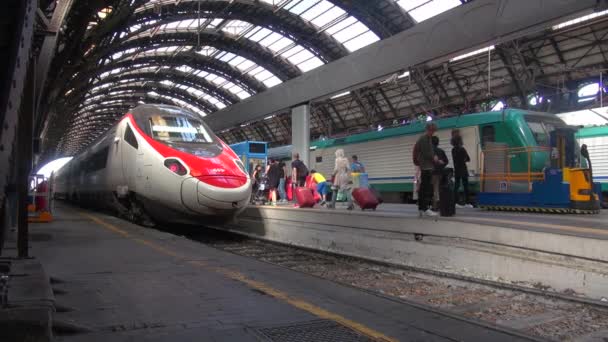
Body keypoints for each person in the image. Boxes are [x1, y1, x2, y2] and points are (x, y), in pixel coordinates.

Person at [414, 123, 440, 217]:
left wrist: (433, 156)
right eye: (432, 131)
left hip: (427, 166)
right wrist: (434, 158)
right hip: (426, 167)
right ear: (429, 129)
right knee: (425, 189)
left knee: (424, 188)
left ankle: (421, 208)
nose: (433, 133)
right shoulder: (424, 139)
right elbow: (426, 153)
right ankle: (424, 208)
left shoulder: (426, 138)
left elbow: (428, 152)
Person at [451, 134, 473, 208]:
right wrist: (464, 159)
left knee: (456, 186)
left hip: (457, 170)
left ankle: (455, 202)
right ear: (459, 141)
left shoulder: (453, 150)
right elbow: (468, 159)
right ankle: (467, 203)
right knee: (466, 186)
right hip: (463, 169)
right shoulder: (462, 149)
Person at [431, 136, 449, 210]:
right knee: (438, 189)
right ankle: (439, 204)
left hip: (432, 172)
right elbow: (446, 161)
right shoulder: (441, 151)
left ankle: (435, 206)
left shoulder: (430, 151)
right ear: (438, 143)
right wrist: (441, 166)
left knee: (435, 189)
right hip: (440, 173)